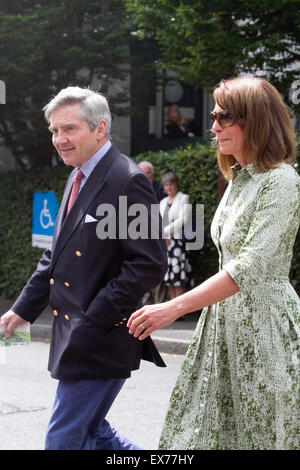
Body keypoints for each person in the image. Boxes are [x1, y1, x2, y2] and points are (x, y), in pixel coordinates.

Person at [127, 77, 300, 450]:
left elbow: (249, 267)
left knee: (261, 437)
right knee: (199, 434)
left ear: (255, 121)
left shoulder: (281, 181)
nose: (215, 125)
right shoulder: (240, 178)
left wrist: (174, 306)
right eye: (214, 115)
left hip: (263, 328)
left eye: (226, 116)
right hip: (222, 326)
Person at [0, 86, 168, 450]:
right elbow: (56, 256)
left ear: (100, 129)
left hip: (100, 337)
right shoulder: (78, 174)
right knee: (96, 435)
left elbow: (148, 264)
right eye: (54, 131)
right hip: (78, 335)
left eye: (69, 129)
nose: (59, 139)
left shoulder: (128, 179)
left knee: (63, 440)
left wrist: (93, 319)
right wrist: (22, 309)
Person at [160, 172, 193, 300]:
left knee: (178, 275)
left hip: (178, 241)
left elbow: (183, 220)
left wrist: (165, 233)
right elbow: (159, 220)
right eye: (166, 185)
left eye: (171, 185)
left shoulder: (184, 198)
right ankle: (174, 308)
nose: (169, 188)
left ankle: (180, 309)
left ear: (176, 185)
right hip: (165, 242)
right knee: (169, 275)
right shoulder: (163, 202)